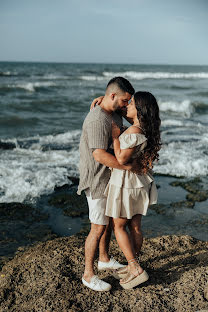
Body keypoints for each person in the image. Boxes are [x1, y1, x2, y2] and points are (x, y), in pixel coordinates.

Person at [77, 77, 135, 291]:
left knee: (109, 221)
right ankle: (88, 274)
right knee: (98, 226)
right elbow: (99, 155)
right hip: (96, 179)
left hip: (109, 176)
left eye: (128, 101)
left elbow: (135, 119)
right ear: (113, 96)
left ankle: (104, 259)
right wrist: (129, 168)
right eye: (124, 101)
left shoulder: (114, 111)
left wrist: (106, 101)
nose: (126, 105)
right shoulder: (97, 119)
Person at [103, 91, 161, 289]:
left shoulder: (134, 132)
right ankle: (132, 262)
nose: (127, 105)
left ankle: (134, 267)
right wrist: (100, 103)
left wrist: (115, 137)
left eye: (132, 103)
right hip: (138, 183)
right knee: (135, 226)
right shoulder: (143, 129)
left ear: (140, 109)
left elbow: (120, 159)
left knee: (118, 226)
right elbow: (123, 111)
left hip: (125, 183)